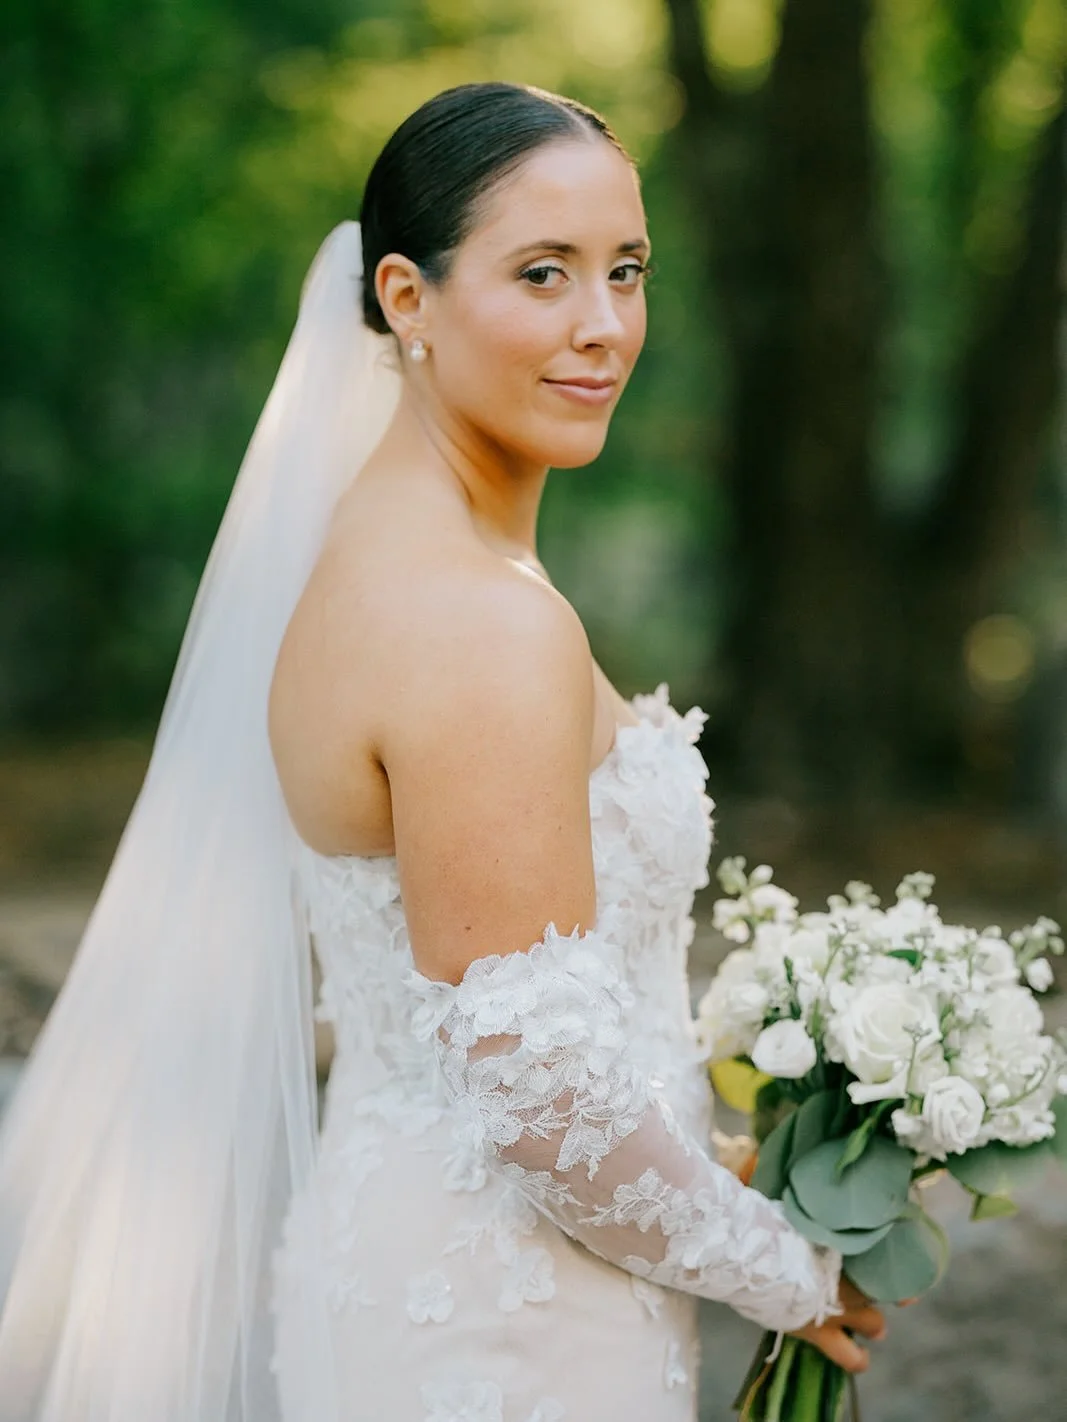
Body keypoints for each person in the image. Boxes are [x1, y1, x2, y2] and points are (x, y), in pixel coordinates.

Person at [0, 83, 887, 1422]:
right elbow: (537, 1088)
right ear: (405, 297)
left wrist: (730, 1164)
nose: (603, 326)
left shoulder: (369, 561)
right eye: (543, 274)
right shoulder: (477, 621)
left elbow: (454, 1022)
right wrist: (792, 1269)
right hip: (509, 1318)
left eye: (625, 271)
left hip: (412, 1254)